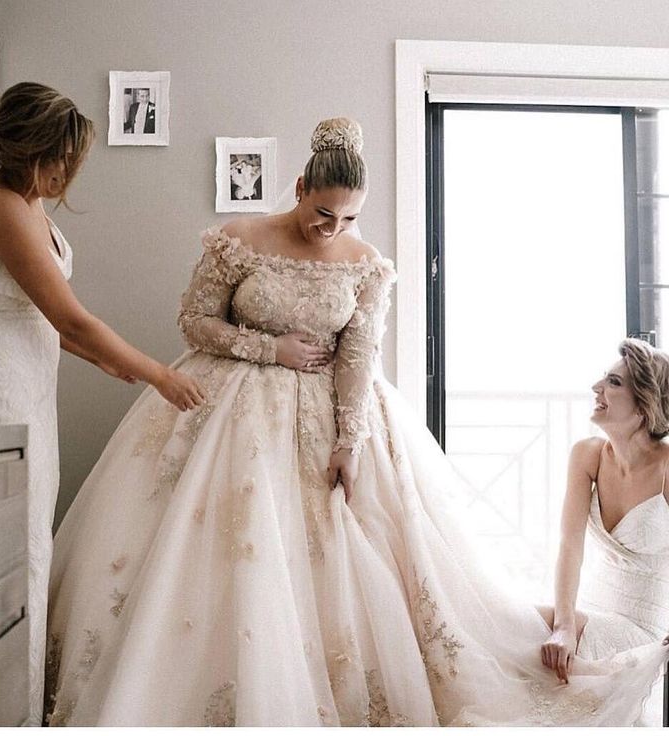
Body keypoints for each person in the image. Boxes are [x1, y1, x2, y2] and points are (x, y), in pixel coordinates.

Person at [45, 117, 668, 727]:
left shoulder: (365, 263)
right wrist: (271, 349)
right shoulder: (238, 239)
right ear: (298, 190)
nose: (332, 229)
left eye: (348, 219)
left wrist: (350, 439)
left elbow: (359, 353)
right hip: (232, 411)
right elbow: (195, 322)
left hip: (331, 414)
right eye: (323, 214)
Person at [0, 82, 205, 726]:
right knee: (4, 568)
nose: (72, 173)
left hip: (30, 393)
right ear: (39, 154)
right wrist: (157, 377)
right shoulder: (3, 208)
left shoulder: (26, 203)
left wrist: (115, 362)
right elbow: (71, 322)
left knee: (27, 555)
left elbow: (61, 329)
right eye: (67, 159)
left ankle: (13, 712)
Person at [540, 338, 669, 725]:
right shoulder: (588, 455)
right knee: (517, 626)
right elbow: (569, 547)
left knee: (520, 632)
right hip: (589, 607)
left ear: (644, 405)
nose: (596, 388)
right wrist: (564, 625)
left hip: (642, 627)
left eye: (613, 382)